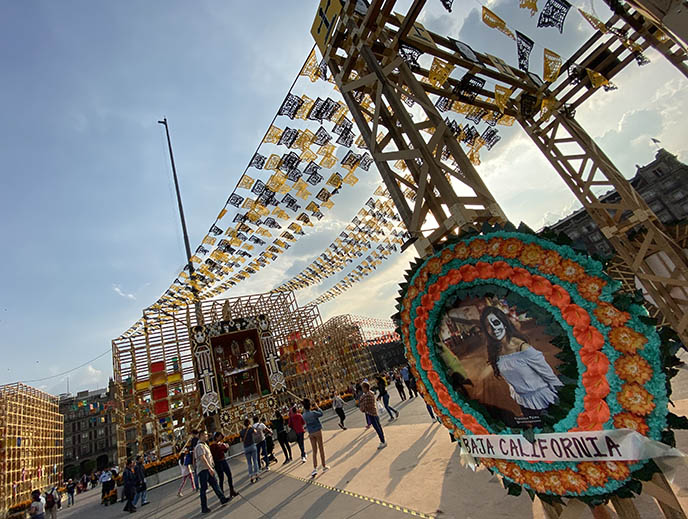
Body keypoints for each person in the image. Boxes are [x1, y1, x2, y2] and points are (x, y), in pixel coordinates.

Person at [480, 306, 563, 419]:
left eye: (496, 322)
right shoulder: (495, 352)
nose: (494, 328)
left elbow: (550, 377)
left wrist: (563, 404)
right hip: (524, 404)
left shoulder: (523, 348)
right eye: (488, 326)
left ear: (504, 323)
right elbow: (510, 380)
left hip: (544, 402)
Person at [194, 430, 230, 513]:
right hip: (204, 469)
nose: (207, 436)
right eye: (206, 435)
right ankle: (204, 507)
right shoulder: (199, 446)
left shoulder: (204, 444)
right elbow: (203, 458)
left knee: (215, 484)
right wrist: (210, 468)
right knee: (203, 488)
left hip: (208, 468)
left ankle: (222, 499)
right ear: (201, 436)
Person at [302, 398, 328, 478]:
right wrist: (317, 407)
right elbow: (321, 413)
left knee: (314, 450)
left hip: (311, 432)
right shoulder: (313, 413)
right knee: (321, 448)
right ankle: (323, 466)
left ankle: (315, 468)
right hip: (317, 430)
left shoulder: (304, 415)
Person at [359, 381, 386, 449]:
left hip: (371, 413)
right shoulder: (371, 393)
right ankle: (383, 440)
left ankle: (383, 441)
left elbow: (363, 406)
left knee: (377, 428)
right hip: (374, 412)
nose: (362, 389)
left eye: (362, 388)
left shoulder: (367, 395)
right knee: (379, 427)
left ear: (365, 388)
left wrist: (361, 404)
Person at [210, 432, 238, 498]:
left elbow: (225, 450)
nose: (221, 438)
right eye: (220, 437)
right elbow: (215, 453)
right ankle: (221, 494)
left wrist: (225, 447)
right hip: (218, 462)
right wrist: (222, 447)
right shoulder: (213, 445)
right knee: (221, 478)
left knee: (229, 475)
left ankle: (232, 490)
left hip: (223, 460)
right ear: (216, 437)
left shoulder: (220, 443)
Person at [239, 418, 260, 484]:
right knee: (255, 460)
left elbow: (240, 440)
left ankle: (251, 476)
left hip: (246, 447)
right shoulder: (251, 429)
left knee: (249, 463)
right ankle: (256, 474)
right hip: (252, 445)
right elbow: (256, 432)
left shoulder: (241, 432)